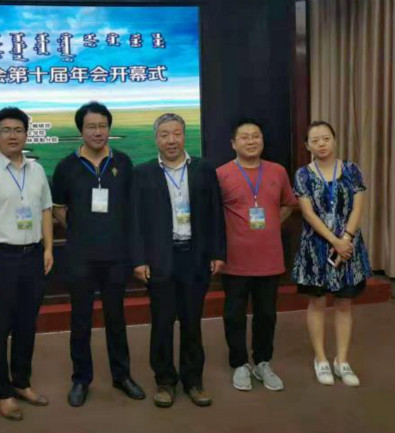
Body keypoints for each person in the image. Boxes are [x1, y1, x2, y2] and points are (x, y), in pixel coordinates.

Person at [52, 101, 145, 406]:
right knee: (80, 319)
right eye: (91, 126)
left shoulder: (123, 162)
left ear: (109, 128)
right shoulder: (66, 167)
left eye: (102, 126)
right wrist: (82, 230)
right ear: (81, 130)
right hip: (80, 256)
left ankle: (122, 375)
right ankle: (81, 379)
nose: (97, 132)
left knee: (116, 318)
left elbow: (132, 209)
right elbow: (59, 209)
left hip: (116, 255)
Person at [131, 113, 226, 407]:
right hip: (160, 258)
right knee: (161, 322)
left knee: (191, 322)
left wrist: (217, 252)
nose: (171, 140)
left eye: (176, 133)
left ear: (185, 136)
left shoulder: (203, 169)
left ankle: (194, 381)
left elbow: (215, 213)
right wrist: (139, 259)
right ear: (156, 139)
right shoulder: (142, 173)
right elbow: (135, 221)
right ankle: (165, 381)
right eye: (164, 135)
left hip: (194, 257)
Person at [0, 107, 54, 421]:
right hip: (0, 257)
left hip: (33, 256)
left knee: (27, 324)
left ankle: (22, 382)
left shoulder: (37, 170)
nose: (13, 136)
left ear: (27, 134)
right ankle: (2, 393)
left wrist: (48, 248)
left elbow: (46, 210)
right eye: (6, 130)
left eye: (18, 130)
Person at [216, 119, 297, 392]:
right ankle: (240, 363)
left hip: (269, 259)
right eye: (245, 137)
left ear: (262, 140)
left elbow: (288, 204)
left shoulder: (277, 171)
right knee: (234, 315)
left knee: (266, 314)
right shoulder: (222, 174)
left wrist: (271, 224)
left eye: (256, 136)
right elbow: (213, 213)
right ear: (233, 143)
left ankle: (263, 361)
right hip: (234, 259)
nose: (251, 141)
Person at [293, 120, 371, 387]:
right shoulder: (303, 174)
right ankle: (321, 358)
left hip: (348, 248)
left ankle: (342, 360)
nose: (321, 144)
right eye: (315, 140)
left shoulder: (352, 170)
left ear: (334, 140)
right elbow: (308, 213)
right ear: (307, 146)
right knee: (317, 303)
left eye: (326, 138)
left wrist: (345, 239)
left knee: (344, 304)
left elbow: (358, 207)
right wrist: (334, 241)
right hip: (316, 248)